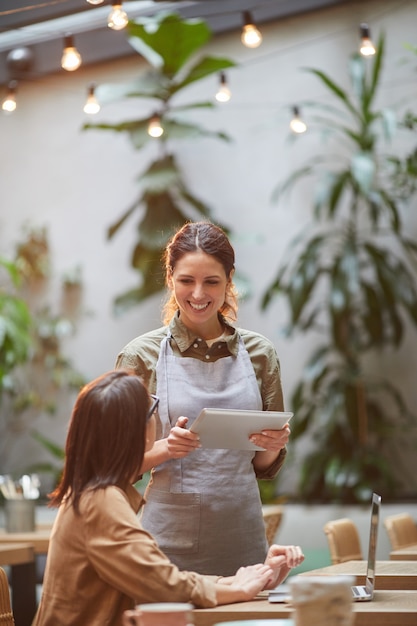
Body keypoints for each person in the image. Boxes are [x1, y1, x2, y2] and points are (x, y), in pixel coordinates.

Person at [33, 370, 304, 626]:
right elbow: (160, 584)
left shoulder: (92, 493)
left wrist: (241, 580)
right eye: (151, 409)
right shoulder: (101, 501)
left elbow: (156, 576)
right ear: (135, 431)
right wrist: (239, 588)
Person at [115, 221, 291, 576]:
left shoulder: (259, 354)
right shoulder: (141, 357)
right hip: (167, 548)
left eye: (212, 281)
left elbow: (262, 467)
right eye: (186, 281)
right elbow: (116, 468)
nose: (198, 294)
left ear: (229, 279)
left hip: (242, 538)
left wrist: (273, 443)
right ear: (170, 278)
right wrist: (167, 448)